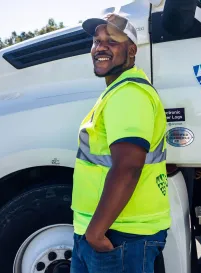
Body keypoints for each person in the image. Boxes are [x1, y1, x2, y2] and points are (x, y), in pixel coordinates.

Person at [70, 13, 172, 273]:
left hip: (121, 235)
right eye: (96, 41)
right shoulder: (116, 91)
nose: (100, 47)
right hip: (108, 232)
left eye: (111, 41)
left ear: (132, 50)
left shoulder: (129, 94)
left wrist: (95, 234)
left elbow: (128, 166)